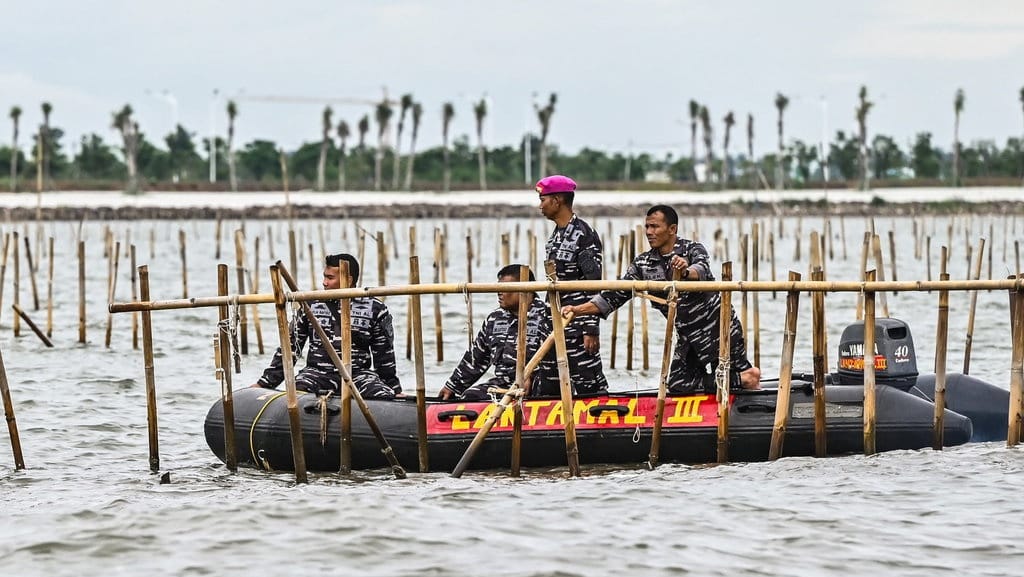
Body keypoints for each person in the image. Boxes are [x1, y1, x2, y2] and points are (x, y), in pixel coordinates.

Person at [561, 205, 760, 393]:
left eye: (655, 227)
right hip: (688, 335)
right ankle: (741, 379)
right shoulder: (643, 263)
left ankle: (747, 381)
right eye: (647, 227)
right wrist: (577, 310)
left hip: (718, 328)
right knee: (678, 384)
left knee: (730, 377)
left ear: (672, 229)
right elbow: (612, 296)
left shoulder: (692, 249)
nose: (649, 232)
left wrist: (684, 272)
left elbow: (700, 269)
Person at [252, 253, 400, 399]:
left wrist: (394, 390)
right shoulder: (310, 305)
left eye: (330, 278)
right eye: (324, 277)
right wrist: (264, 383)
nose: (324, 283)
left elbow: (384, 356)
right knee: (296, 394)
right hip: (316, 374)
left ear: (348, 280)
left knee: (383, 396)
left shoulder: (375, 309)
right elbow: (290, 349)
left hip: (358, 376)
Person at [440, 265, 558, 400]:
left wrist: (530, 376)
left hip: (538, 384)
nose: (499, 293)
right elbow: (476, 359)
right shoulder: (494, 319)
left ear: (526, 290)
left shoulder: (547, 316)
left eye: (505, 288)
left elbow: (555, 359)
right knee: (470, 396)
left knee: (543, 387)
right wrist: (452, 386)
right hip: (504, 384)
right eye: (498, 287)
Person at [537, 174, 608, 395]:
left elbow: (593, 284)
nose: (540, 206)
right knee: (550, 386)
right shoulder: (555, 236)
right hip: (554, 324)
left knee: (590, 386)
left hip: (577, 325)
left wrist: (591, 328)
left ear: (557, 200)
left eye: (543, 200)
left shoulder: (584, 235)